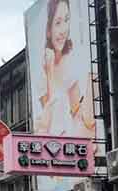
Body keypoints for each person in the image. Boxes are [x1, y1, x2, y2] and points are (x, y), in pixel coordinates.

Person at [36, 0, 95, 137]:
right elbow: (51, 123)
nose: (63, 30)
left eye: (66, 20)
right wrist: (50, 71)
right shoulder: (42, 74)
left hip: (78, 137)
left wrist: (90, 79)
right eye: (57, 23)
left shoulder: (74, 56)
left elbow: (79, 112)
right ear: (48, 30)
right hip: (59, 142)